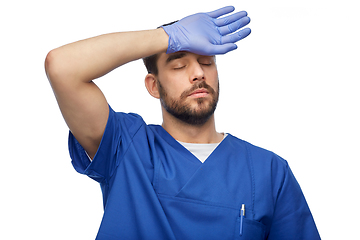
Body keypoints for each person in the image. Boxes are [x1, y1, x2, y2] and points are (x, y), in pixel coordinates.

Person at [45, 6, 320, 240]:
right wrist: (168, 37)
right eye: (179, 65)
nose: (198, 73)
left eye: (207, 62)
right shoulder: (125, 147)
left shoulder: (268, 171)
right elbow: (62, 66)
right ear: (154, 86)